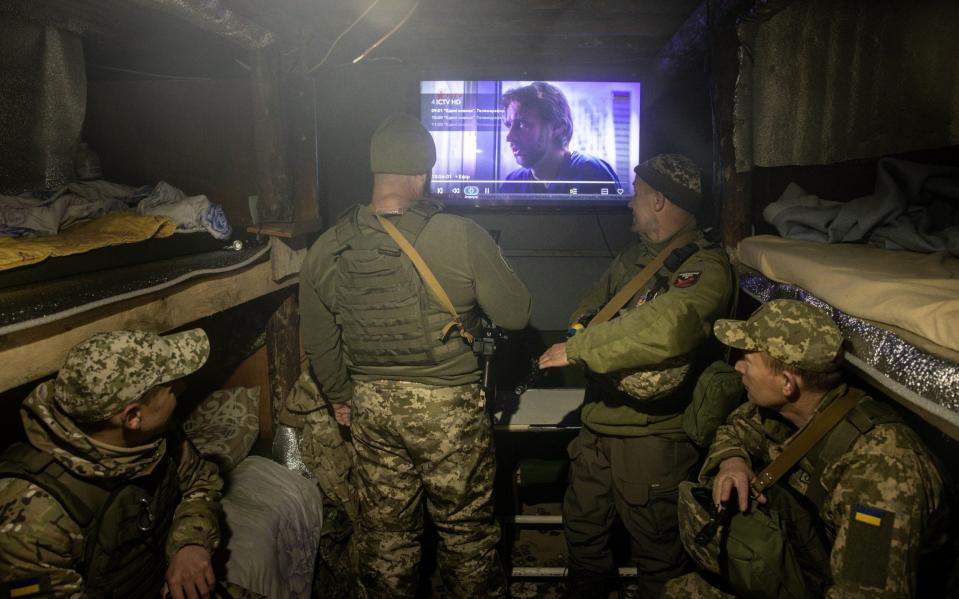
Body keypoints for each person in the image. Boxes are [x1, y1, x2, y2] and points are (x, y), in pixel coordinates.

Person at [299, 113, 532, 598]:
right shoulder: (459, 233)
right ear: (422, 173)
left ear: (375, 170)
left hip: (371, 407)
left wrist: (343, 397)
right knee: (465, 534)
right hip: (448, 407)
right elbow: (515, 313)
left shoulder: (327, 247)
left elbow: (320, 341)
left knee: (385, 538)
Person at [538, 153, 733, 598]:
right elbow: (588, 308)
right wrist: (579, 333)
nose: (630, 202)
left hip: (652, 441)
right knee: (583, 531)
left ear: (660, 201)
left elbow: (668, 326)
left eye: (638, 193)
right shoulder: (633, 258)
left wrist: (582, 348)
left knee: (659, 552)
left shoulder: (704, 267)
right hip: (597, 427)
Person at [664, 299, 948, 598]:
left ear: (787, 383)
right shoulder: (793, 409)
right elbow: (737, 428)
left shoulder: (881, 471)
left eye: (748, 358)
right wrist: (732, 462)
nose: (738, 366)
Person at [0, 329, 223, 599]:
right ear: (132, 417)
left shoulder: (154, 437)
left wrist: (190, 542)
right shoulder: (33, 520)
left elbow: (201, 481)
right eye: (171, 387)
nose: (182, 388)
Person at [499, 81, 621, 195]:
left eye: (522, 124)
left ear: (557, 127)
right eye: (509, 125)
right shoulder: (513, 183)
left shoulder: (593, 174)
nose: (509, 137)